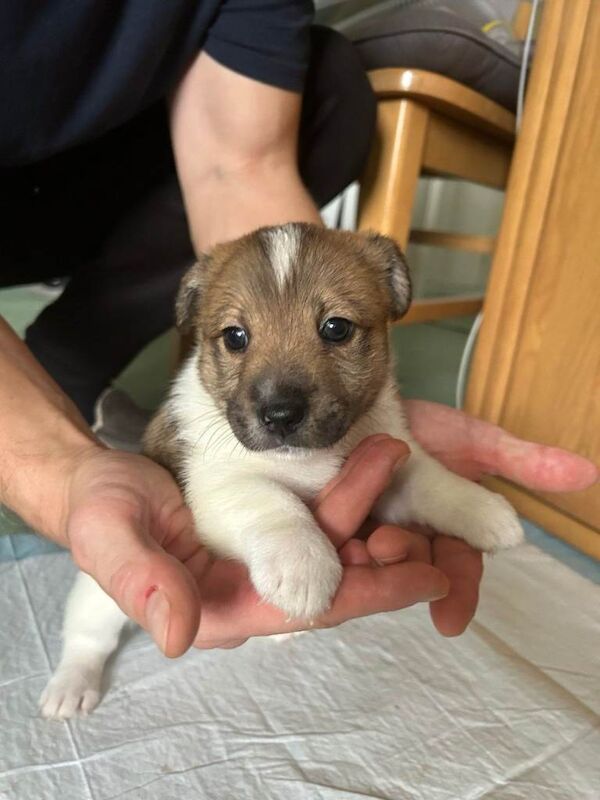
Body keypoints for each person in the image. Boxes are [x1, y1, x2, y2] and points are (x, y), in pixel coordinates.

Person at [0, 2, 597, 656]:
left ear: (390, 299)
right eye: (235, 337)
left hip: (121, 145)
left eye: (336, 329)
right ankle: (80, 648)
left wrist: (435, 494)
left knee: (332, 72)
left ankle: (67, 351)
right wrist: (52, 465)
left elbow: (240, 162)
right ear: (202, 323)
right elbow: (227, 492)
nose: (277, 396)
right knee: (99, 614)